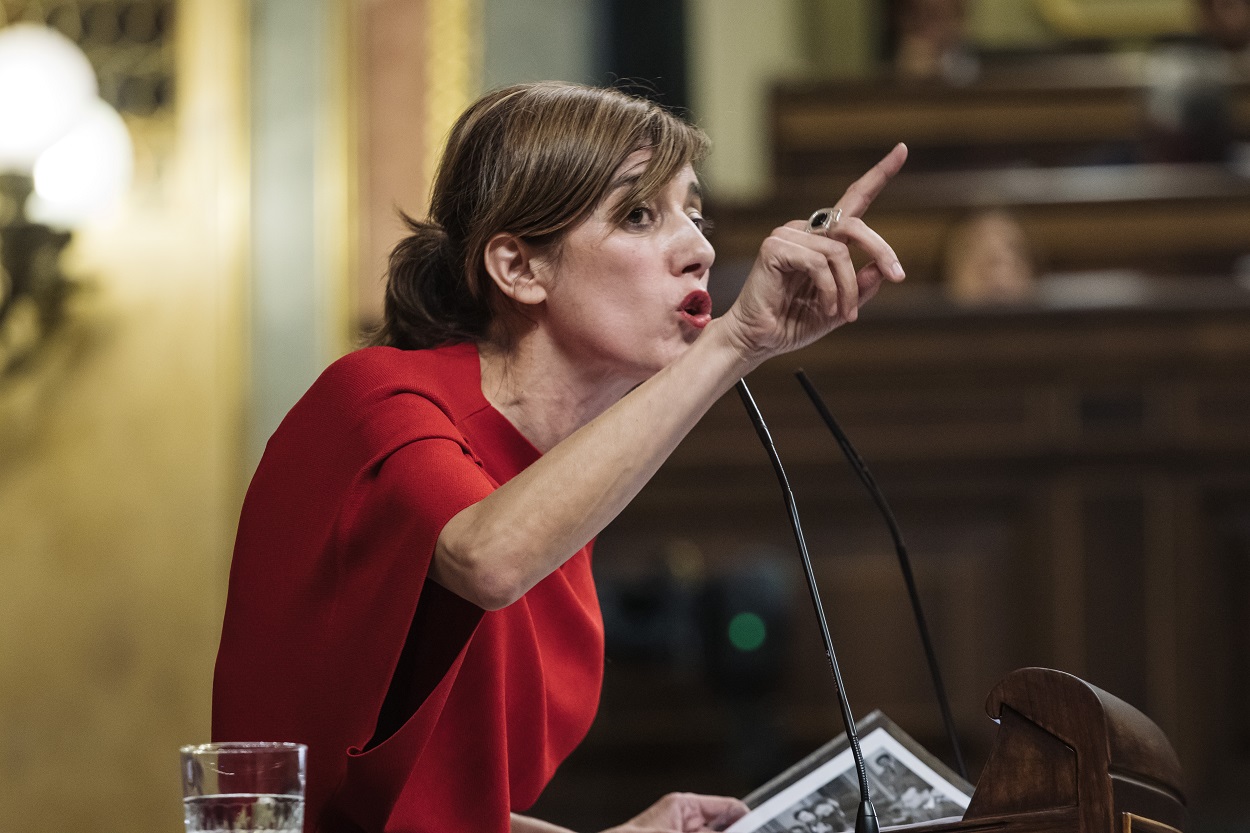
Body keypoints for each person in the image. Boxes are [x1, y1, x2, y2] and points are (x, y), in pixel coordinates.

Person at [212, 81, 907, 833]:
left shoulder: (559, 474)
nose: (700, 249)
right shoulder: (379, 402)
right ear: (519, 268)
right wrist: (736, 343)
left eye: (696, 214)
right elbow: (489, 558)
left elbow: (439, 814)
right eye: (640, 214)